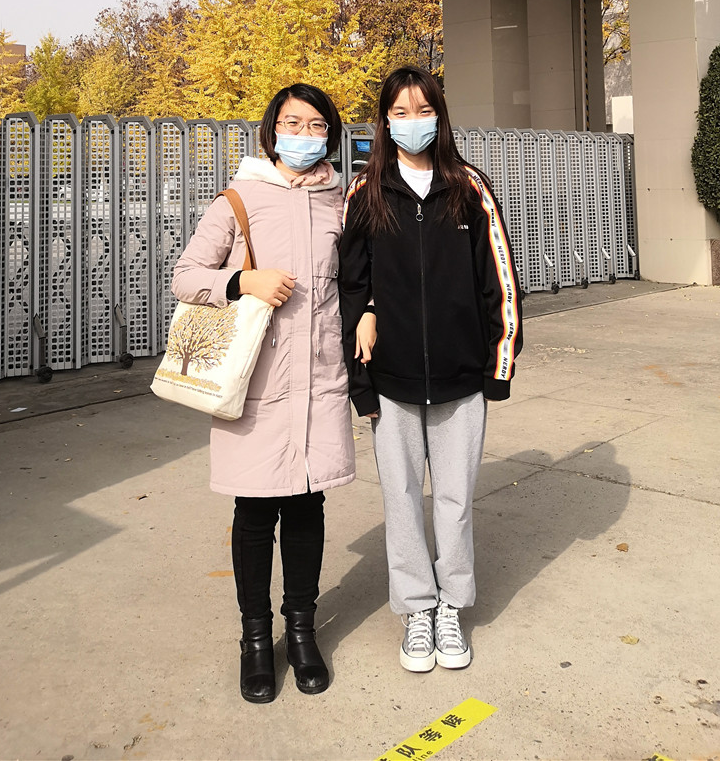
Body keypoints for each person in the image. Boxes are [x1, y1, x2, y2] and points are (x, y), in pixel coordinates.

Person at [172, 84, 354, 705]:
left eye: (316, 124)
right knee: (254, 514)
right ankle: (255, 640)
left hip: (319, 379)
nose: (303, 134)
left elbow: (358, 280)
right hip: (257, 382)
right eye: (291, 123)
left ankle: (301, 632)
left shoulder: (340, 202)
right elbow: (186, 277)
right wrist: (243, 280)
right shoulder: (239, 198)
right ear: (271, 131)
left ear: (331, 134)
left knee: (306, 507)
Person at [339, 66, 522, 673]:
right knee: (400, 500)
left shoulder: (469, 188)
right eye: (400, 112)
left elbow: (499, 279)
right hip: (390, 381)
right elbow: (351, 287)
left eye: (423, 110)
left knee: (454, 500)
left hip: (460, 378)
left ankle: (452, 606)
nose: (412, 122)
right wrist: (362, 382)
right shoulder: (365, 193)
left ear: (439, 116)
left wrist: (498, 364)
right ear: (384, 121)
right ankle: (417, 608)